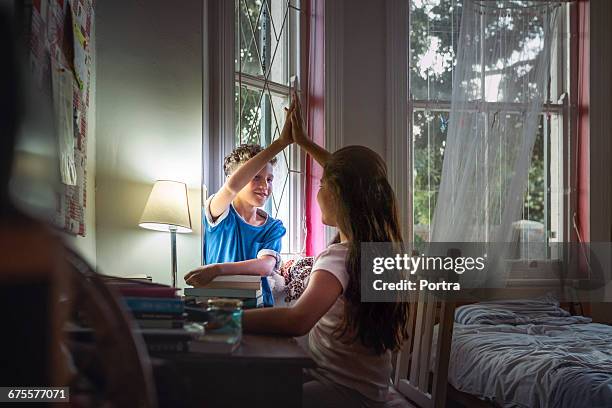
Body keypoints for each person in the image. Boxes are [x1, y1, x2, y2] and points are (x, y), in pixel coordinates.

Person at [242, 95, 411, 407]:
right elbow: (358, 179)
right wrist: (304, 142)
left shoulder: (339, 258)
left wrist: (229, 319)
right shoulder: (378, 252)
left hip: (342, 392)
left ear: (340, 196)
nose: (319, 193)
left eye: (322, 185)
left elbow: (297, 321)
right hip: (364, 389)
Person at [184, 101, 296, 307]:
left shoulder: (273, 227)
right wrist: (280, 143)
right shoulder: (220, 213)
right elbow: (231, 188)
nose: (265, 185)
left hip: (260, 309)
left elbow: (264, 266)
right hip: (218, 307)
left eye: (269, 179)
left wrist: (217, 269)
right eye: (255, 177)